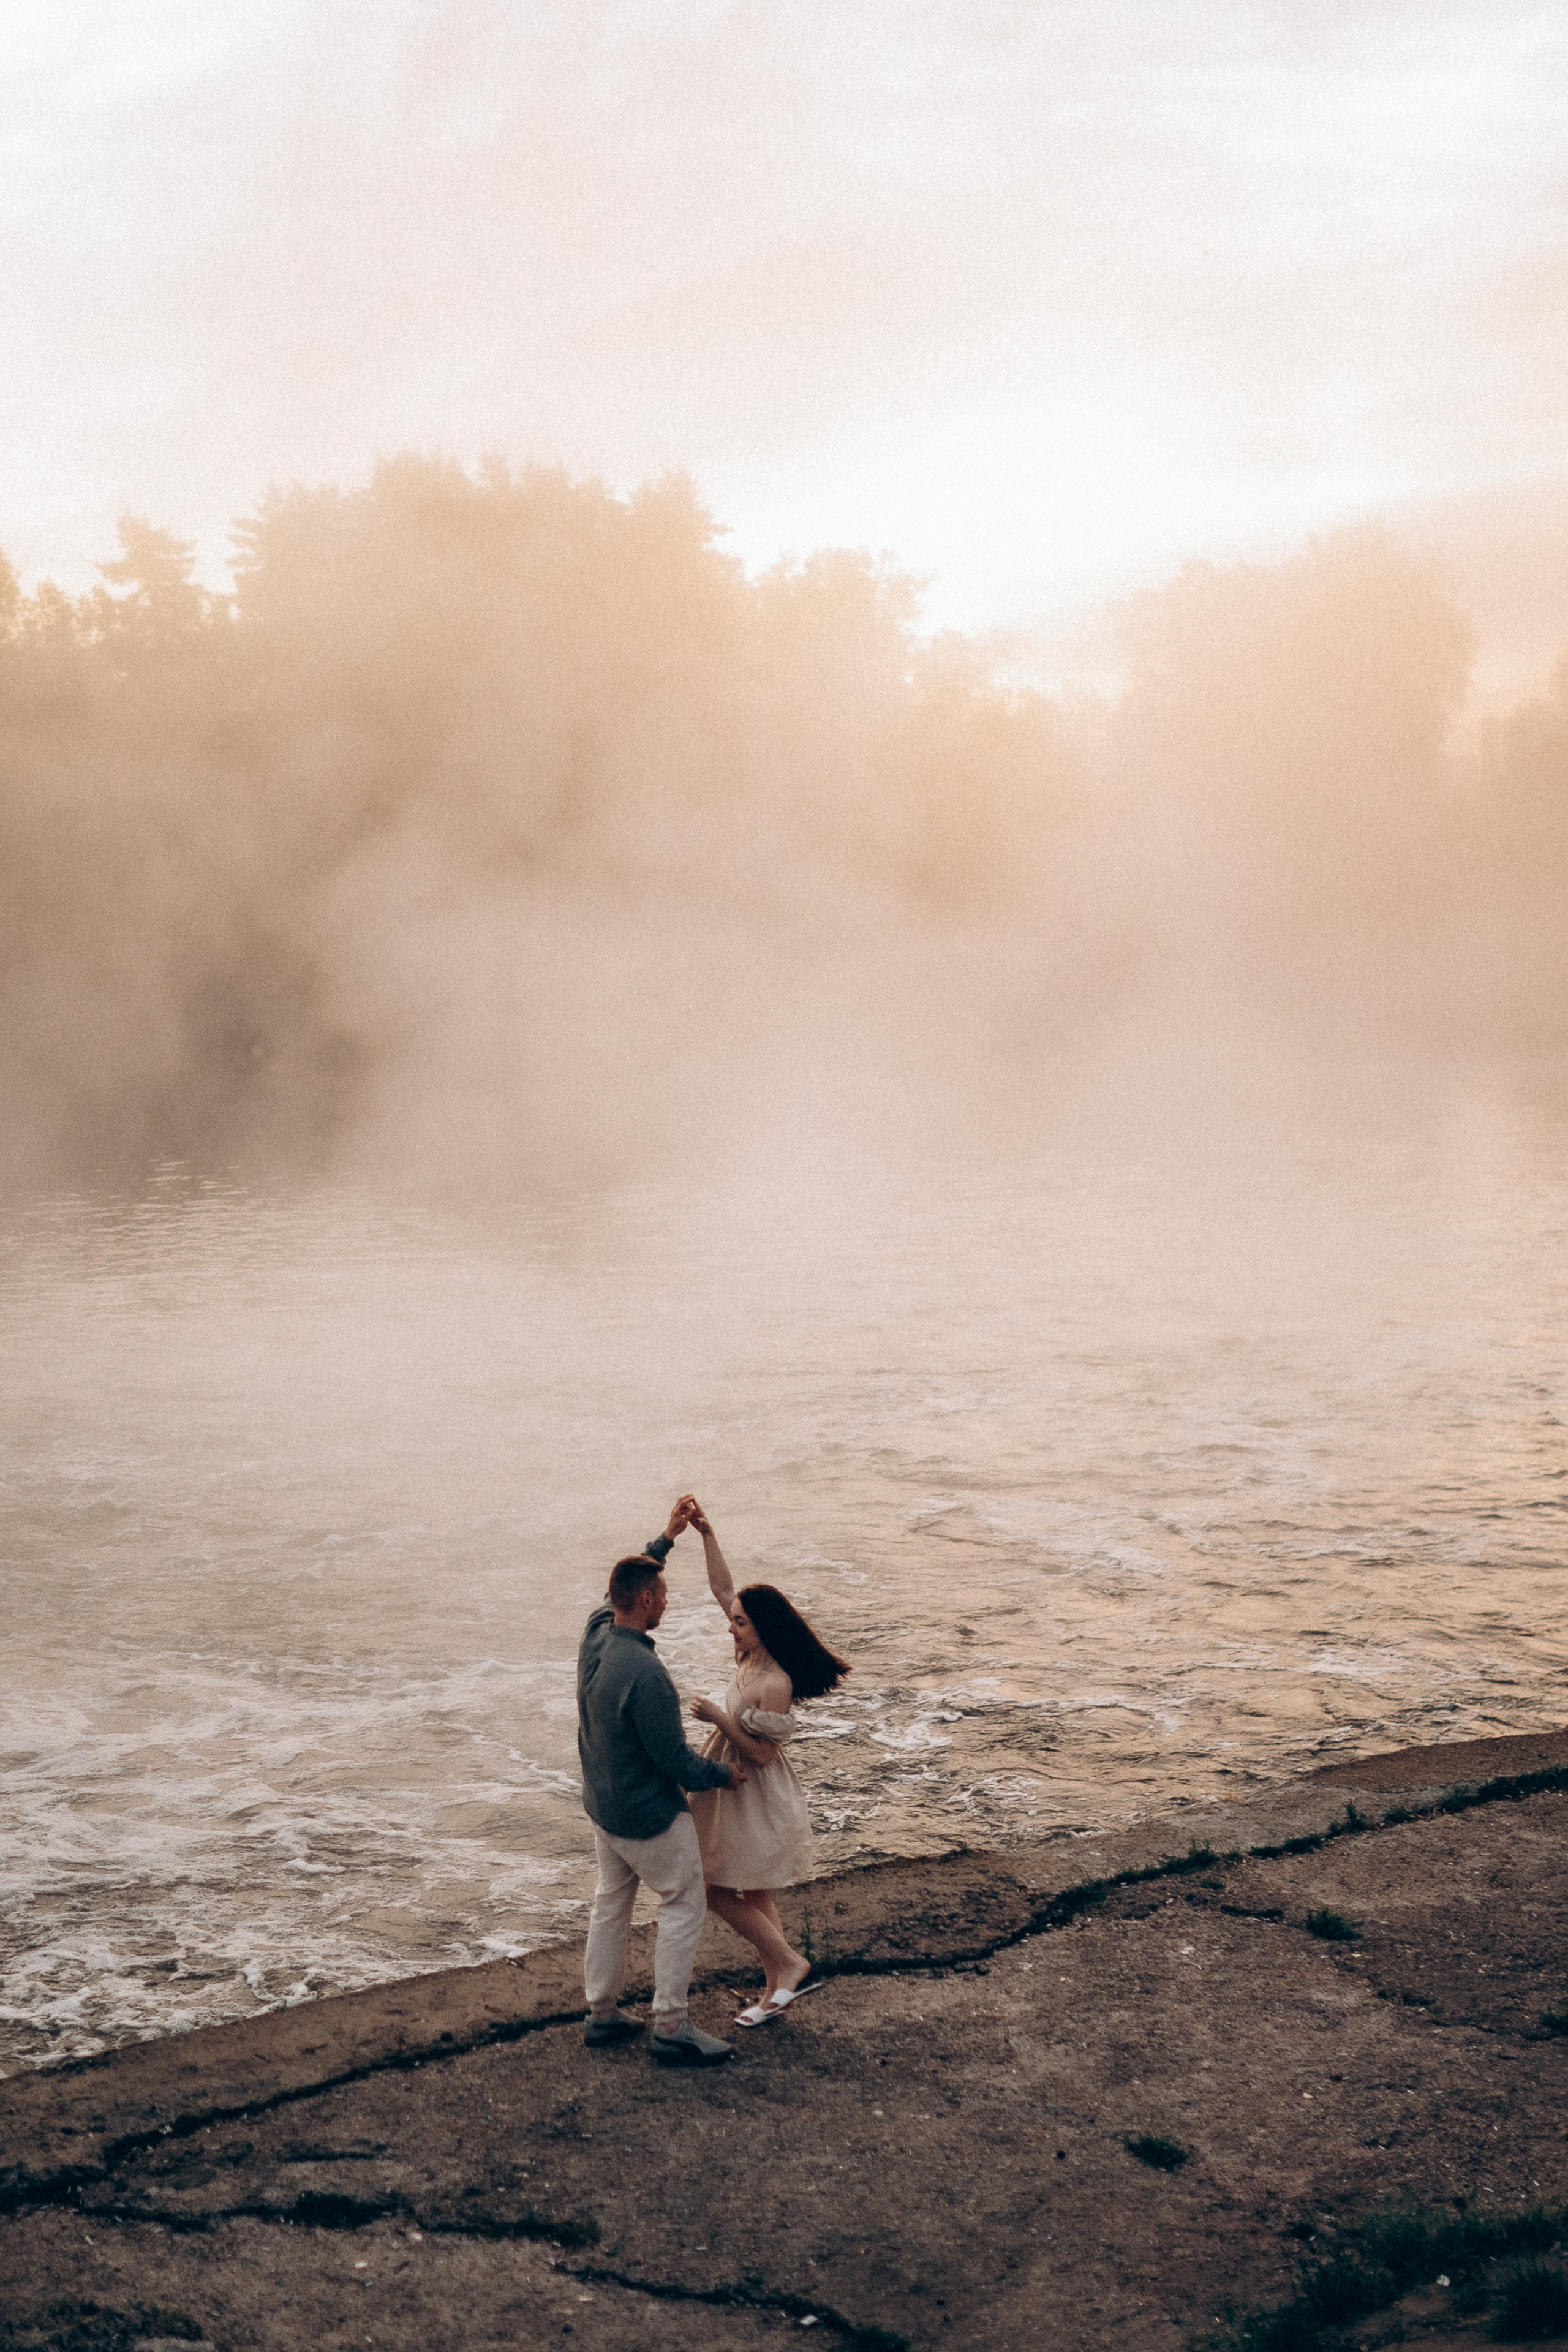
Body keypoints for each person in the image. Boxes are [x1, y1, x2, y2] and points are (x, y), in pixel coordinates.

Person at [577, 1501, 747, 2067]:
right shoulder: (648, 1676)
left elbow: (616, 1590)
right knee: (684, 1901)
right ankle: (671, 2025)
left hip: (603, 1805)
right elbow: (677, 1763)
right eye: (664, 1595)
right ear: (647, 1601)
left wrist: (666, 1539)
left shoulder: (595, 1633)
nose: (668, 1602)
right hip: (646, 1815)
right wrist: (726, 1774)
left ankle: (601, 2013)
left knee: (611, 1901)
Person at [682, 1496, 850, 2027]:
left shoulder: (775, 1682)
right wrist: (706, 1534)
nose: (731, 1628)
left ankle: (791, 1963)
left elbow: (761, 1752)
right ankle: (777, 1989)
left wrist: (718, 1717)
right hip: (733, 1787)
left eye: (740, 1624)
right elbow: (723, 1589)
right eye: (733, 1622)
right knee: (755, 1893)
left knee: (715, 1891)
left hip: (755, 1790)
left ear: (764, 1629)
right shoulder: (749, 1653)